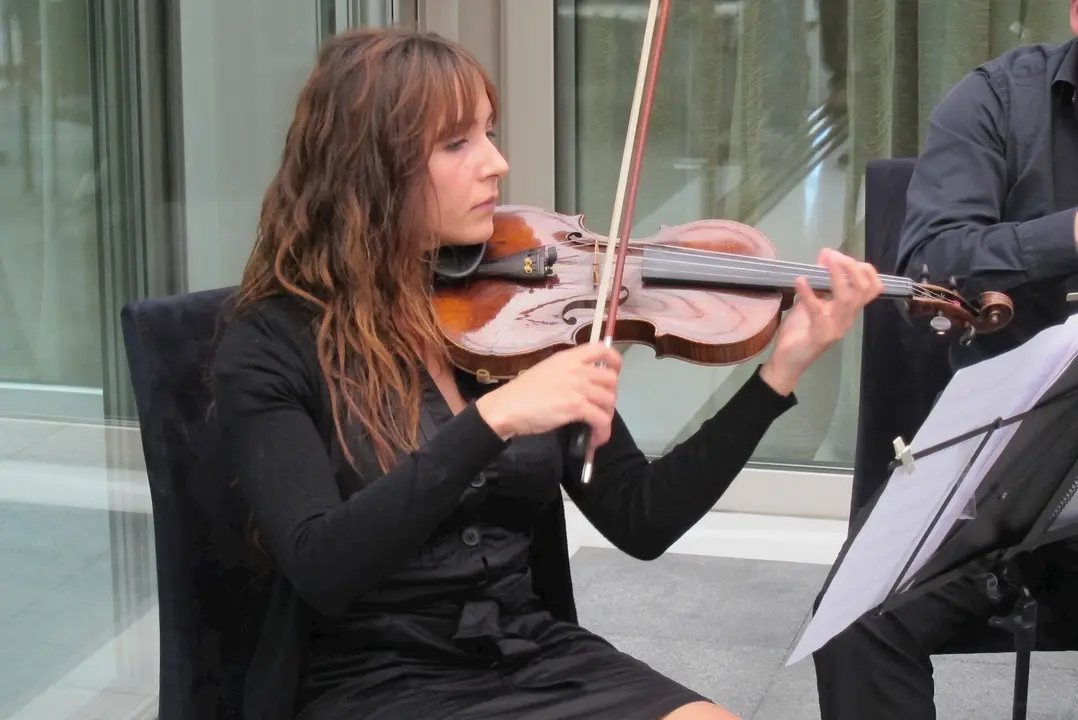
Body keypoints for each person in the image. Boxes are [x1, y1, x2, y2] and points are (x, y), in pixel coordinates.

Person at [210, 27, 882, 720]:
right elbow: (323, 567)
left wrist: (778, 374)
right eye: (457, 143)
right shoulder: (271, 347)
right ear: (370, 168)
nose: (496, 163)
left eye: (489, 134)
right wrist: (494, 419)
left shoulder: (517, 319)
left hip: (527, 651)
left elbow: (641, 518)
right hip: (373, 681)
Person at [813, 4, 1078, 718]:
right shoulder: (998, 100)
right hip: (1013, 477)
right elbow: (933, 256)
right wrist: (1070, 235)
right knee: (855, 619)